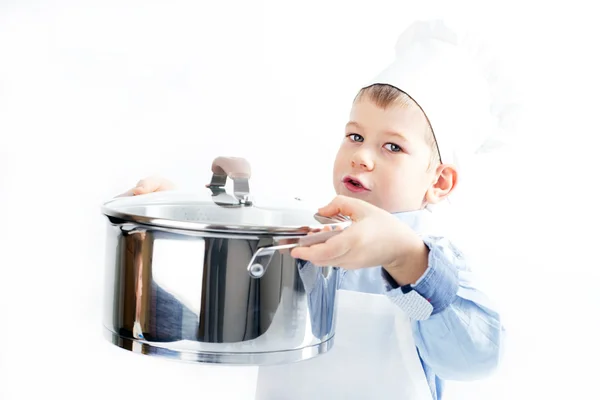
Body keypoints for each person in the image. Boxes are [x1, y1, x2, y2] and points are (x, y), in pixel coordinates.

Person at [117, 19, 515, 399]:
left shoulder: (433, 263)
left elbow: (474, 357)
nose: (361, 156)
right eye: (355, 135)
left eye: (392, 146)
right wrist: (172, 225)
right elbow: (210, 328)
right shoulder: (297, 241)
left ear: (439, 182)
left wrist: (404, 256)